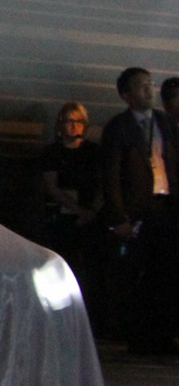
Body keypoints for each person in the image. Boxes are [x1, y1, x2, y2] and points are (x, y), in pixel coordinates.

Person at [101, 67, 179, 354]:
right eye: (141, 86)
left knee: (166, 272)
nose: (149, 90)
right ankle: (138, 336)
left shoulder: (165, 122)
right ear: (127, 95)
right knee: (136, 273)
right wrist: (118, 217)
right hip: (137, 209)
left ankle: (162, 335)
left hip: (166, 206)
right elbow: (111, 175)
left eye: (150, 84)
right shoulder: (118, 127)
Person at [35, 101, 108, 330]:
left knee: (91, 267)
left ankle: (91, 317)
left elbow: (103, 185)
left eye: (78, 121)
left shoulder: (94, 152)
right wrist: (78, 210)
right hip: (62, 217)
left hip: (89, 217)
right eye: (69, 120)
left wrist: (92, 211)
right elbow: (51, 186)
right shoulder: (52, 153)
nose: (73, 126)